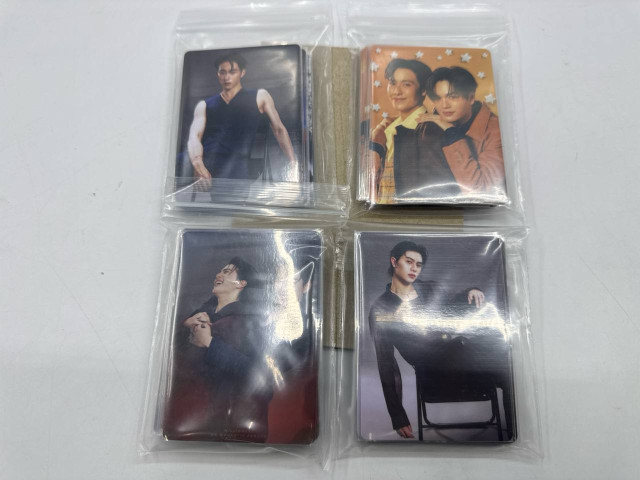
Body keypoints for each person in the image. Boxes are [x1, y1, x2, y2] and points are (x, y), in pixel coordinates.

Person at [368, 241, 514, 440]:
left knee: (500, 350)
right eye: (409, 262)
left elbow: (452, 304)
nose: (414, 268)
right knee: (498, 357)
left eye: (418, 264)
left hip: (459, 356)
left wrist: (471, 291)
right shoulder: (381, 309)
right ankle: (512, 432)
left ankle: (513, 432)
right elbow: (387, 364)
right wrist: (397, 415)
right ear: (394, 262)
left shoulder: (428, 288)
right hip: (431, 370)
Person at [180, 257, 273, 442]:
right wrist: (186, 324)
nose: (219, 274)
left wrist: (210, 343)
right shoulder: (201, 316)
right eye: (220, 271)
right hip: (191, 411)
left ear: (241, 284)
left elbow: (258, 374)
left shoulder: (249, 322)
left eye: (227, 271)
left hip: (228, 419)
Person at [187, 52, 298, 184]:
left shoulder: (260, 96)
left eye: (232, 72)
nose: (226, 77)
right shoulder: (204, 105)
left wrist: (293, 162)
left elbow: (279, 129)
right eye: (223, 72)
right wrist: (197, 163)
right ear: (218, 74)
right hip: (209, 166)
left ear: (242, 73)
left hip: (240, 166)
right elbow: (194, 136)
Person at [368, 58, 459, 203]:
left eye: (406, 84)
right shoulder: (387, 129)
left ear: (423, 90)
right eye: (393, 83)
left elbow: (443, 190)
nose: (396, 91)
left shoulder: (429, 131)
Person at [421, 66, 506, 196]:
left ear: (471, 98)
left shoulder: (496, 131)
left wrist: (452, 133)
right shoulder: (428, 128)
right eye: (438, 98)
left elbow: (480, 190)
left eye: (453, 97)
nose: (444, 105)